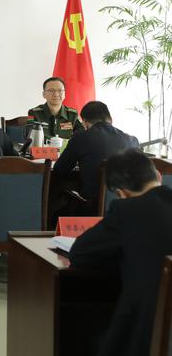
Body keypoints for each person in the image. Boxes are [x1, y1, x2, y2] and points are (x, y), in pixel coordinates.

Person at [69, 149, 172, 356]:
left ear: (121, 193)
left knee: (81, 333)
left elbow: (80, 253)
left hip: (145, 336)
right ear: (158, 176)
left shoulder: (128, 211)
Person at [52, 101, 140, 216]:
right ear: (110, 119)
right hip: (127, 207)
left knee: (55, 214)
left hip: (92, 209)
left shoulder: (80, 138)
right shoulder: (132, 141)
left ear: (85, 122)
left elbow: (60, 170)